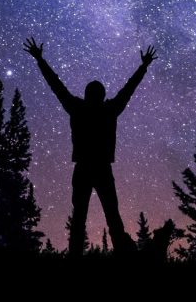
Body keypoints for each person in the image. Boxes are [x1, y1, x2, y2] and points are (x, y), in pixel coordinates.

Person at [23, 37, 156, 256]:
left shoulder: (78, 108)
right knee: (112, 216)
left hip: (84, 167)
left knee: (79, 219)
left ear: (87, 95)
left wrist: (40, 59)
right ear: (102, 96)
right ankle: (123, 257)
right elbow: (128, 90)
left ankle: (75, 259)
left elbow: (56, 85)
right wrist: (143, 66)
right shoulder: (109, 110)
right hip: (102, 168)